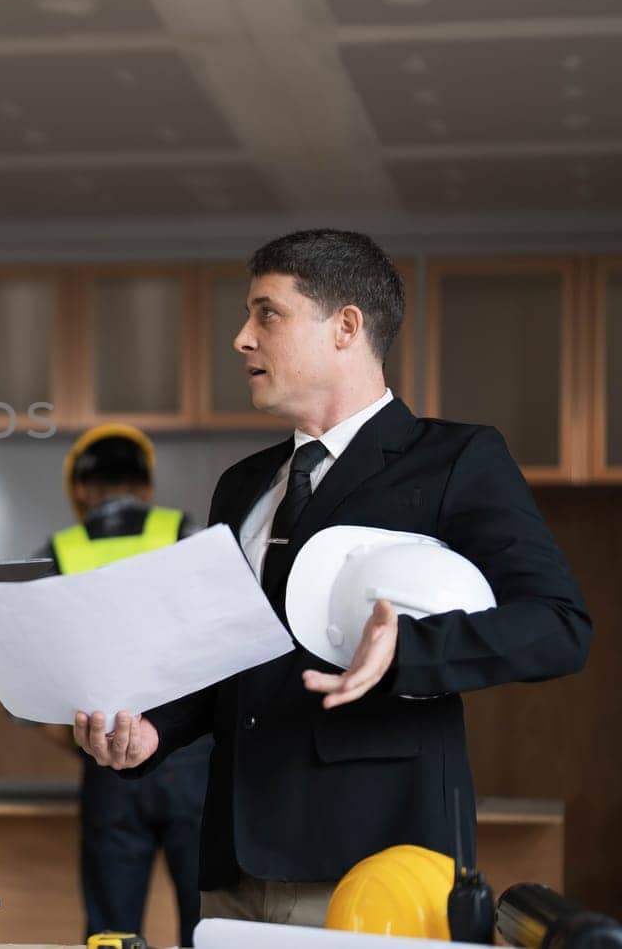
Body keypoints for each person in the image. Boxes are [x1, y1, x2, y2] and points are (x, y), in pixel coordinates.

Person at [75, 229, 591, 929]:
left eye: (267, 313)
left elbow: (560, 625)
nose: (241, 338)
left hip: (376, 869)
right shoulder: (244, 485)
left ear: (346, 325)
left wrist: (407, 651)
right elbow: (233, 656)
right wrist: (152, 732)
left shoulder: (455, 459)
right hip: (231, 868)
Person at [39, 424, 208, 946]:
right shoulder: (187, 534)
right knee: (206, 921)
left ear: (81, 489)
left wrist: (84, 742)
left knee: (112, 929)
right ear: (147, 486)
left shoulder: (58, 551)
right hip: (195, 761)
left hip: (109, 758)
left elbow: (36, 680)